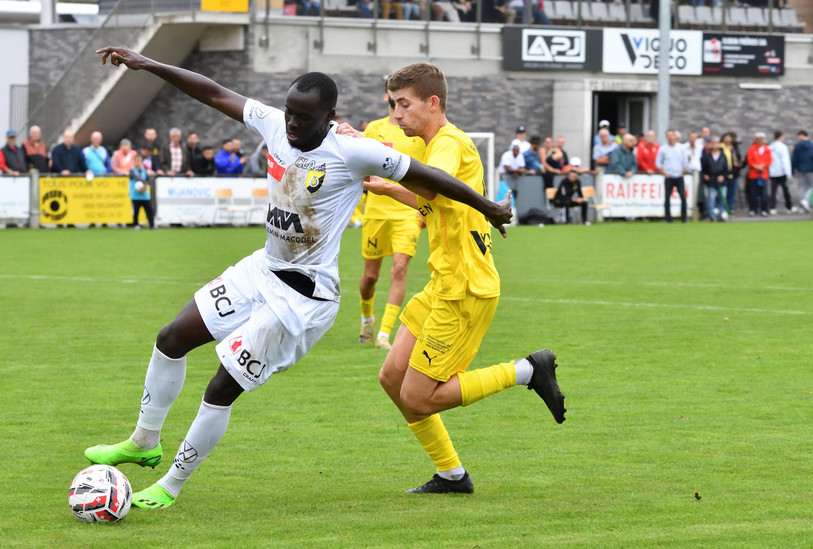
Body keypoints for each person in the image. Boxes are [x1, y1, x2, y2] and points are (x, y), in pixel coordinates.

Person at [85, 46, 512, 509]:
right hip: (261, 269)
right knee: (171, 337)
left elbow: (429, 177)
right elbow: (212, 92)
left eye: (302, 117)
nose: (290, 123)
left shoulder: (351, 150)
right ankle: (144, 441)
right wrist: (148, 64)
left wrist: (487, 207)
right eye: (289, 112)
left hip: (303, 299)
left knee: (221, 385)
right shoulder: (273, 123)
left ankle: (170, 486)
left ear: (329, 117)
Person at [347, 62, 565, 494]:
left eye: (403, 105)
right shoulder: (433, 147)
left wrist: (372, 152)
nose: (396, 116)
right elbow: (435, 199)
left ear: (433, 103)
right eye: (392, 106)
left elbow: (433, 186)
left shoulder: (449, 142)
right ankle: (451, 475)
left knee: (419, 397)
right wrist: (390, 186)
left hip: (465, 289)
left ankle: (527, 370)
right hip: (441, 283)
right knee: (391, 378)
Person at [358, 96, 427, 350]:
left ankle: (384, 334)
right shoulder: (374, 129)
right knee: (370, 277)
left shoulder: (417, 133)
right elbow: (362, 166)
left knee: (399, 270)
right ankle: (367, 319)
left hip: (407, 212)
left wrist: (424, 209)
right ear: (387, 97)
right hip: (376, 213)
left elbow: (429, 171)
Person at [656, 129, 689, 223]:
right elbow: (658, 162)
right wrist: (664, 172)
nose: (671, 137)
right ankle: (668, 218)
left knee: (683, 197)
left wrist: (684, 169)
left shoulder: (681, 148)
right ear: (667, 137)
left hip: (679, 176)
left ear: (675, 136)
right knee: (667, 198)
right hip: (668, 177)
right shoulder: (663, 149)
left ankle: (684, 218)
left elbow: (685, 161)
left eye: (672, 135)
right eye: (669, 135)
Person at [700, 137, 730, 222]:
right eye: (713, 143)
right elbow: (703, 169)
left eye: (716, 143)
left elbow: (726, 169)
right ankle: (711, 216)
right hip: (711, 180)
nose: (715, 145)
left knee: (722, 198)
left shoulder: (723, 156)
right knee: (711, 198)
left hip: (721, 181)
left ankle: (721, 215)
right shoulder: (706, 157)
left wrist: (723, 176)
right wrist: (705, 175)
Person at [746, 131, 772, 217]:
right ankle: (752, 209)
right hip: (754, 174)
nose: (761, 141)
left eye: (762, 139)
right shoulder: (752, 149)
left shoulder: (767, 149)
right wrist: (756, 166)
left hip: (763, 174)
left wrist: (763, 166)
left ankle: (764, 210)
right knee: (753, 193)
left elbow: (769, 160)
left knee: (764, 193)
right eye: (759, 139)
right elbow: (749, 160)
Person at [768, 131, 793, 215]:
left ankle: (772, 207)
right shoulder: (782, 147)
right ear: (781, 137)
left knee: (773, 191)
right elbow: (785, 160)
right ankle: (789, 207)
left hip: (773, 173)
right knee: (785, 190)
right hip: (782, 173)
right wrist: (788, 173)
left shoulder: (770, 146)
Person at [129, 153, 155, 230]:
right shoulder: (132, 170)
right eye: (136, 161)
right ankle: (136, 225)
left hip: (144, 194)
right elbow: (136, 177)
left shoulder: (144, 171)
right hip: (135, 195)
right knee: (136, 211)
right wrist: (144, 183)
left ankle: (152, 225)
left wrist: (145, 186)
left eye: (140, 161)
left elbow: (149, 180)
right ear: (134, 161)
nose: (138, 162)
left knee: (149, 210)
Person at [720, 132, 744, 213]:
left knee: (732, 192)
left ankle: (730, 208)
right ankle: (722, 208)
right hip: (723, 174)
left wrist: (738, 164)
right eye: (726, 137)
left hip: (734, 173)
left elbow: (739, 158)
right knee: (723, 192)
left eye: (729, 138)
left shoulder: (734, 148)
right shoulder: (721, 148)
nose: (727, 139)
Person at [791, 130, 813, 212]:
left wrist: (792, 169)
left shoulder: (797, 146)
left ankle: (802, 207)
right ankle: (805, 201)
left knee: (801, 187)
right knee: (810, 186)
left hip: (800, 170)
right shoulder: (811, 145)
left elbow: (794, 159)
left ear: (802, 135)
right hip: (810, 169)